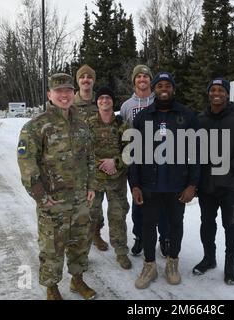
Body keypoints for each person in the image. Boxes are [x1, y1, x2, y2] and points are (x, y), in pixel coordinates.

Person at [17, 73, 97, 300]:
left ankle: (77, 280)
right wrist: (41, 196)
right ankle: (52, 288)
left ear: (73, 93)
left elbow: (90, 157)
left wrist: (92, 185)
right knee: (52, 246)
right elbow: (26, 162)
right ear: (49, 95)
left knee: (80, 242)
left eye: (68, 91)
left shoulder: (81, 125)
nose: (64, 95)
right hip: (53, 202)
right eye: (58, 91)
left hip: (80, 199)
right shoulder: (36, 126)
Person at [129, 72, 200, 289]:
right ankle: (149, 265)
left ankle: (172, 263)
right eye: (159, 85)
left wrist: (192, 185)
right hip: (149, 185)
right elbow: (134, 154)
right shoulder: (143, 117)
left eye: (167, 85)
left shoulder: (187, 116)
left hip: (176, 185)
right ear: (154, 89)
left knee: (175, 225)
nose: (163, 89)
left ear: (173, 89)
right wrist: (135, 185)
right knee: (149, 225)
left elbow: (197, 153)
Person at [192, 78, 234, 285]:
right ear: (208, 93)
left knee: (231, 225)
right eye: (213, 90)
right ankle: (209, 258)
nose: (216, 93)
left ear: (227, 94)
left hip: (230, 186)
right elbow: (193, 151)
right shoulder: (200, 119)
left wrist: (231, 168)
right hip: (206, 185)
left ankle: (230, 265)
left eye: (221, 90)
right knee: (207, 223)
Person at [120, 64, 169, 257]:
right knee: (138, 200)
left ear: (151, 81)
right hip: (137, 159)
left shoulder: (160, 101)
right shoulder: (126, 106)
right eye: (138, 76)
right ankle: (139, 236)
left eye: (146, 76)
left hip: (161, 158)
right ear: (134, 81)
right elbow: (123, 133)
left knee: (163, 201)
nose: (142, 79)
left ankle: (165, 238)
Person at [86, 86, 131, 270]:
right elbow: (82, 150)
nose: (105, 100)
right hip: (93, 181)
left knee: (118, 216)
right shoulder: (88, 124)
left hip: (116, 180)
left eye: (108, 98)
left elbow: (130, 151)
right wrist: (101, 163)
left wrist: (116, 163)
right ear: (97, 102)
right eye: (101, 98)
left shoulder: (122, 125)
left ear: (113, 102)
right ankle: (82, 255)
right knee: (89, 217)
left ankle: (121, 252)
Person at [74, 64, 109, 251]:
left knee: (96, 202)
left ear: (93, 80)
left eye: (89, 76)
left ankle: (96, 233)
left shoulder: (102, 101)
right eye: (82, 77)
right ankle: (79, 241)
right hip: (78, 162)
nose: (86, 80)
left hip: (99, 160)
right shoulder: (70, 103)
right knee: (80, 204)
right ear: (78, 80)